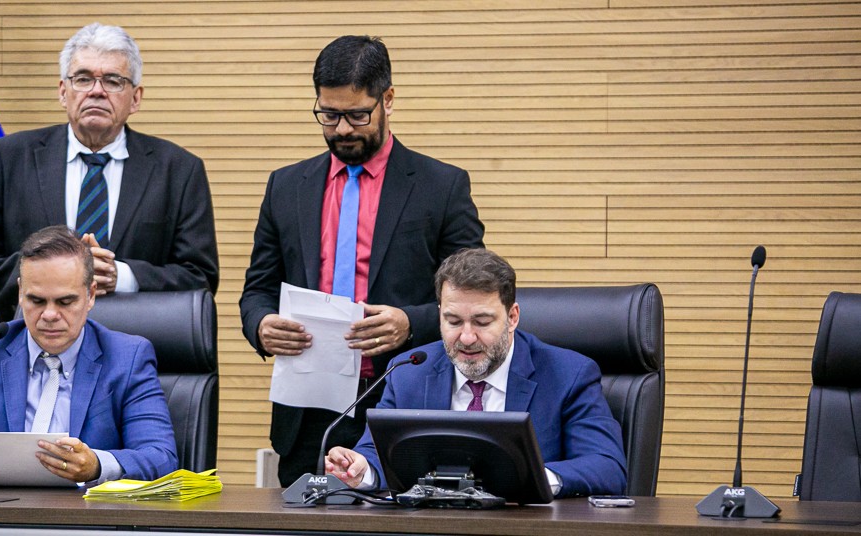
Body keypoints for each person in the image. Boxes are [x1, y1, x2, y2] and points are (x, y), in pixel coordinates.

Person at [239, 35, 485, 486]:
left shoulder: (441, 186)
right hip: (307, 409)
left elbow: (475, 298)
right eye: (329, 115)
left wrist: (409, 323)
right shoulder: (286, 187)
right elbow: (257, 289)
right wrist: (261, 324)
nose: (342, 130)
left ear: (387, 99)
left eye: (357, 115)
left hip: (403, 397)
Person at [0, 23, 219, 321]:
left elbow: (200, 277)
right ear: (63, 92)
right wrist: (55, 272)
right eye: (83, 79)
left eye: (113, 81)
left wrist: (124, 276)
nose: (96, 91)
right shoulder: (9, 158)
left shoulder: (179, 170)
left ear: (135, 98)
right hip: (32, 341)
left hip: (139, 341)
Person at [0, 225, 178, 485]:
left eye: (65, 301)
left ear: (90, 295)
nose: (49, 315)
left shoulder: (127, 357)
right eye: (36, 300)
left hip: (87, 518)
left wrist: (96, 466)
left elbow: (161, 458)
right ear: (20, 293)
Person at [324, 248, 627, 498]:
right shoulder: (409, 370)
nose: (467, 338)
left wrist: (530, 480)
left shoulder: (568, 374)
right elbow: (376, 454)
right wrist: (361, 469)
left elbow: (606, 467)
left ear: (512, 317)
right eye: (453, 322)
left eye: (482, 322)